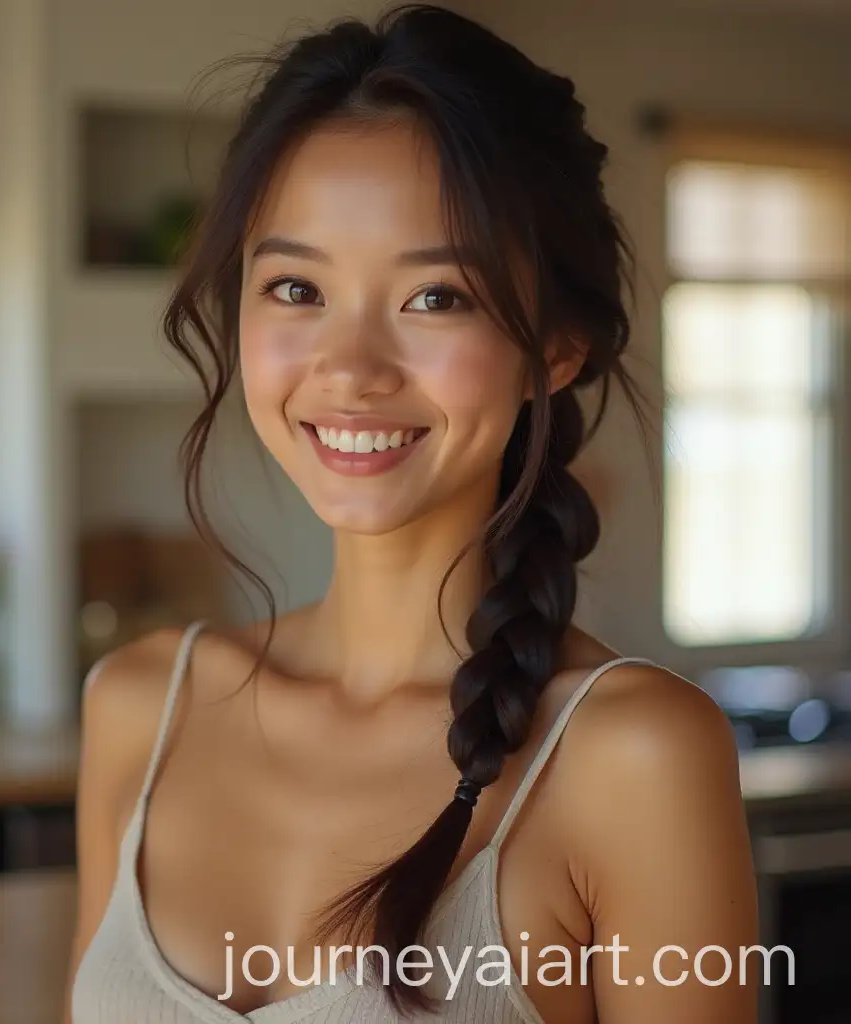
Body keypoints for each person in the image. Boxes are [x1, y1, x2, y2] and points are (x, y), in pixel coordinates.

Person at [64, 5, 759, 1022]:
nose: (348, 368)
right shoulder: (136, 707)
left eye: (435, 298)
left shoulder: (635, 756)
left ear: (555, 347)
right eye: (296, 286)